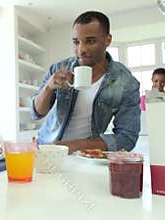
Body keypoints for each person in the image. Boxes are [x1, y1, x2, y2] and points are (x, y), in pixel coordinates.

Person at [31, 11, 140, 153]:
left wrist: (74, 146)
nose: (81, 49)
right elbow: (36, 113)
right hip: (46, 148)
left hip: (87, 156)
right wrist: (48, 88)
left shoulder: (126, 83)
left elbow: (127, 138)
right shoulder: (59, 69)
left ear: (108, 40)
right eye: (76, 42)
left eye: (90, 41)